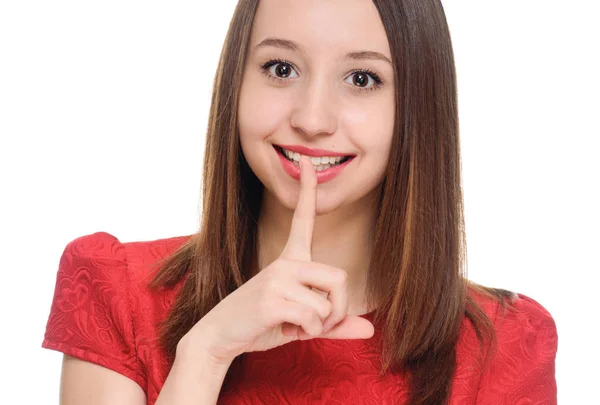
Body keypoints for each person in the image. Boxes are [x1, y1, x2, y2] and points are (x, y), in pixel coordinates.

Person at [41, 0, 558, 404]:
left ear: (417, 108)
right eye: (281, 68)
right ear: (235, 83)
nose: (313, 119)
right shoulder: (113, 290)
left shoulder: (505, 342)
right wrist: (204, 354)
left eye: (362, 79)